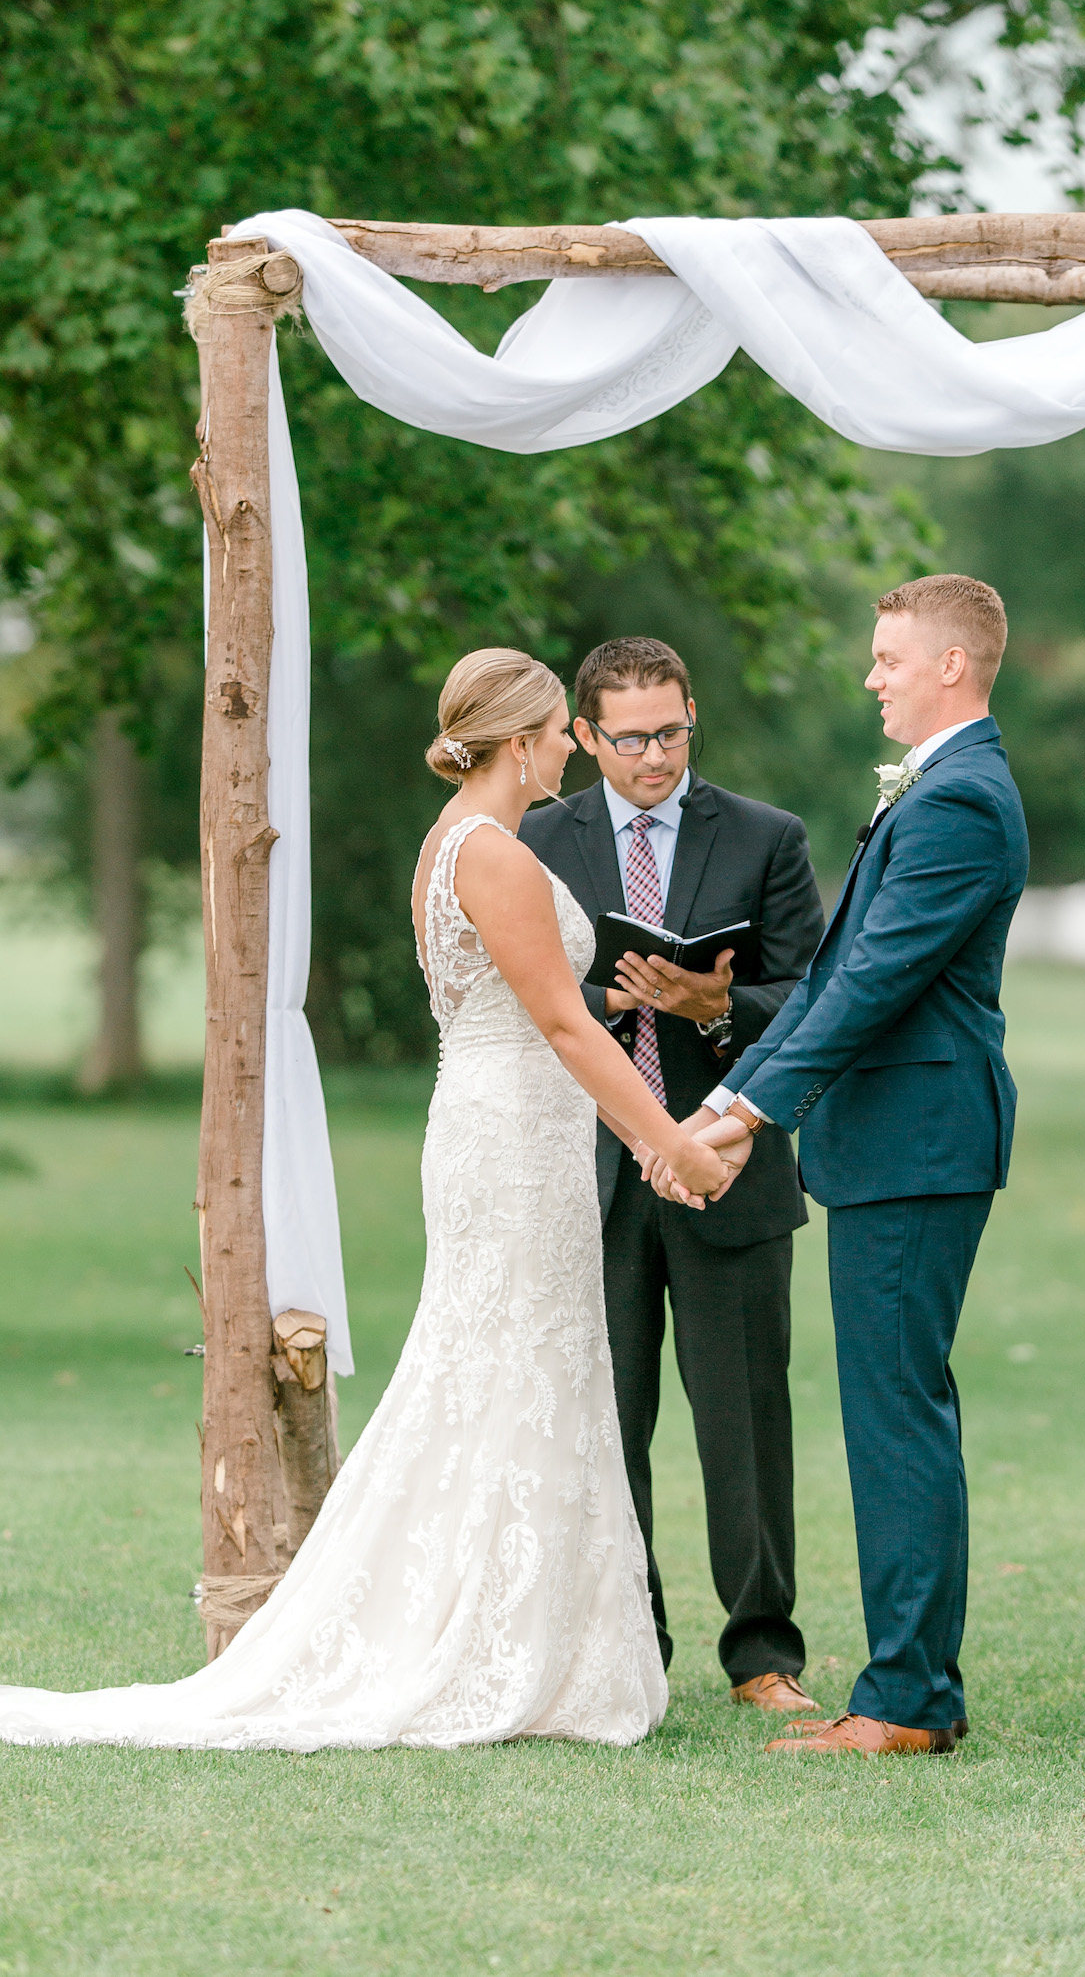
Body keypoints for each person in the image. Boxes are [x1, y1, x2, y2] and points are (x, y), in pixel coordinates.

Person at [0, 648, 736, 1752]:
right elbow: (565, 1021)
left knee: (522, 1368)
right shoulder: (487, 853)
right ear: (525, 737)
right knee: (507, 1366)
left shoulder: (459, 844)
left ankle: (532, 1637)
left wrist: (641, 1132)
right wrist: (668, 1138)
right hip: (509, 1141)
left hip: (513, 1127)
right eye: (558, 734)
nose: (568, 753)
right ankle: (483, 1646)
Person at [663, 575, 1029, 1758]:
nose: (871, 677)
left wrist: (750, 1115)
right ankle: (916, 1685)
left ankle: (909, 1702)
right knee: (891, 1413)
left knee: (895, 1420)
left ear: (952, 669)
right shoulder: (937, 792)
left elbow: (877, 985)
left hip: (917, 1146)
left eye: (888, 658)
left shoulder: (961, 801)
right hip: (889, 1145)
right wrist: (731, 1098)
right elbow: (832, 973)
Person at [520, 637, 827, 1717]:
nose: (655, 755)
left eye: (672, 730)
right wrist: (609, 1001)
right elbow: (515, 996)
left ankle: (762, 1656)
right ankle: (628, 1640)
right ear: (587, 735)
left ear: (693, 712)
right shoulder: (534, 838)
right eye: (631, 737)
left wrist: (714, 1009)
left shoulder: (764, 837)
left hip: (726, 1166)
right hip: (589, 1173)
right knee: (609, 1419)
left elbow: (812, 997)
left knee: (745, 1419)